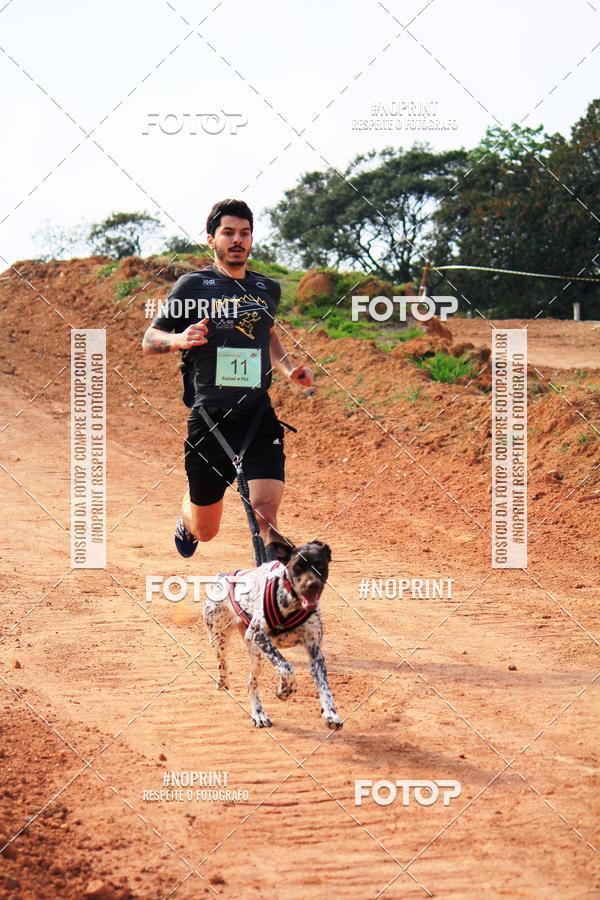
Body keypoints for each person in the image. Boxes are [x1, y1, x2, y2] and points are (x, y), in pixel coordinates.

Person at [141, 198, 313, 558]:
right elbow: (150, 339)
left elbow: (267, 335)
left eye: (245, 233)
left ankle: (273, 590)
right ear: (211, 239)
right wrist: (178, 339)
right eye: (229, 233)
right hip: (210, 418)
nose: (238, 240)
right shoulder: (192, 286)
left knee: (265, 515)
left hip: (257, 415)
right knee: (206, 530)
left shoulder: (267, 289)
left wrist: (289, 369)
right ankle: (188, 514)